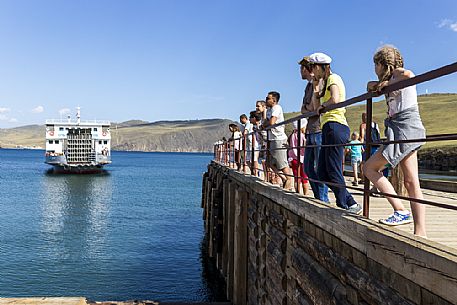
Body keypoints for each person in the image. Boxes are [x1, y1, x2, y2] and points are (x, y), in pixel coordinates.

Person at [363, 45, 426, 237]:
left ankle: (410, 220)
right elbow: (368, 85)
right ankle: (407, 217)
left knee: (406, 179)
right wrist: (381, 84)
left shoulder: (398, 74)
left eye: (376, 65)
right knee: (408, 180)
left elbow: (408, 74)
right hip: (398, 128)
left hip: (406, 127)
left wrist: (388, 83)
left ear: (382, 64)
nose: (374, 69)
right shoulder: (386, 80)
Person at [309, 52, 361, 214]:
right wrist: (316, 88)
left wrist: (323, 107)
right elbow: (314, 106)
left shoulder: (334, 78)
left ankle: (349, 204)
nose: (312, 71)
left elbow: (336, 99)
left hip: (335, 126)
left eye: (312, 68)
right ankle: (347, 201)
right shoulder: (324, 83)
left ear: (318, 67)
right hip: (329, 127)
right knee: (322, 172)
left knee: (332, 170)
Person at [299, 56, 329, 202]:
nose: (300, 71)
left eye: (301, 68)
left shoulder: (319, 83)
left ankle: (323, 198)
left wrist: (307, 109)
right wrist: (307, 109)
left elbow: (312, 108)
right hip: (311, 130)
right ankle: (319, 197)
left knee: (319, 167)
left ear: (307, 68)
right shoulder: (308, 86)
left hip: (318, 129)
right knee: (308, 167)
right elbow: (303, 109)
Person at [262, 91, 294, 190]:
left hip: (278, 138)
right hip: (272, 139)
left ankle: (289, 181)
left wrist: (267, 123)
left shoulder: (277, 108)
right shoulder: (269, 110)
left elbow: (271, 122)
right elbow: (264, 123)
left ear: (274, 100)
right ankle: (284, 179)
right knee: (269, 163)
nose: (266, 100)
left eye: (268, 98)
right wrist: (266, 121)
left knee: (281, 162)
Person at [287, 119, 309, 195]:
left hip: (293, 158)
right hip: (301, 158)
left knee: (296, 177)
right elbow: (304, 147)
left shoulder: (292, 135)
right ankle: (306, 194)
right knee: (304, 178)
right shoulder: (302, 136)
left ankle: (297, 192)